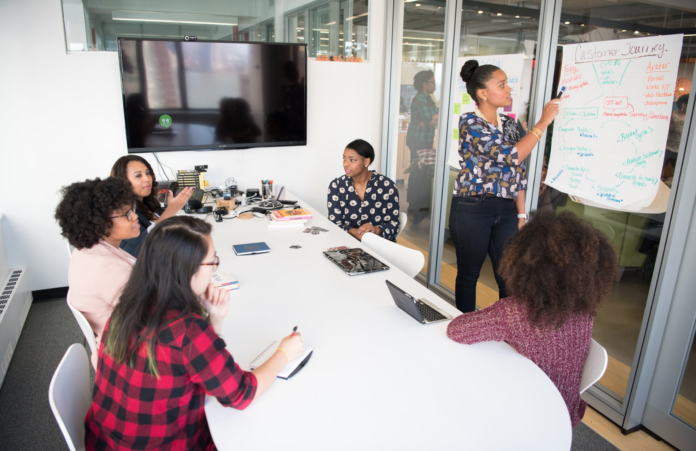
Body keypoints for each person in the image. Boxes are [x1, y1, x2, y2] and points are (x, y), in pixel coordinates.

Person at [85, 216, 304, 450]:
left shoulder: (128, 306)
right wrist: (284, 352)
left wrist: (214, 319)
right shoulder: (186, 329)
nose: (214, 270)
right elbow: (242, 394)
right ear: (189, 269)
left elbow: (187, 363)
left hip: (105, 441)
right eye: (213, 262)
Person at [447, 212, 617, 427]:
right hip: (565, 412)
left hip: (525, 416)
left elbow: (457, 330)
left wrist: (495, 311)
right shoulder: (583, 311)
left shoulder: (514, 311)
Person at [450, 61, 561, 313]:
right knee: (469, 274)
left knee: (509, 277)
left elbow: (517, 172)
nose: (509, 89)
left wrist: (521, 215)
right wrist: (543, 122)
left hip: (507, 209)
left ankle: (508, 332)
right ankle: (464, 327)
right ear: (482, 93)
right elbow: (510, 156)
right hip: (473, 207)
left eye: (507, 83)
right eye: (502, 85)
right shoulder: (471, 123)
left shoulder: (510, 124)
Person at [54, 177, 140, 368]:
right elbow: (152, 319)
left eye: (132, 210)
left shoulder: (88, 249)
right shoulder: (107, 268)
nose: (134, 217)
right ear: (99, 222)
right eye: (126, 214)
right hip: (129, 359)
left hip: (114, 345)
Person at [110, 155, 193, 257]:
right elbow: (141, 249)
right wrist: (171, 210)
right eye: (138, 176)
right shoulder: (123, 215)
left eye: (148, 173)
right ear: (123, 181)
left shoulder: (150, 205)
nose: (147, 179)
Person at [327, 139, 401, 241]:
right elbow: (334, 223)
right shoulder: (336, 186)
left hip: (379, 246)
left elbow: (393, 224)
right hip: (346, 244)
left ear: (366, 161)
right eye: (344, 159)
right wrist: (356, 233)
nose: (345, 164)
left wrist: (375, 230)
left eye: (352, 160)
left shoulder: (387, 186)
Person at [405, 70, 439, 224]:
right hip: (418, 139)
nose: (434, 84)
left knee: (419, 171)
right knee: (417, 171)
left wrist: (431, 119)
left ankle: (415, 205)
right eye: (432, 82)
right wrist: (431, 119)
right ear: (425, 84)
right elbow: (431, 119)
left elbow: (434, 117)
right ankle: (413, 205)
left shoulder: (428, 99)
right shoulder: (420, 99)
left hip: (424, 138)